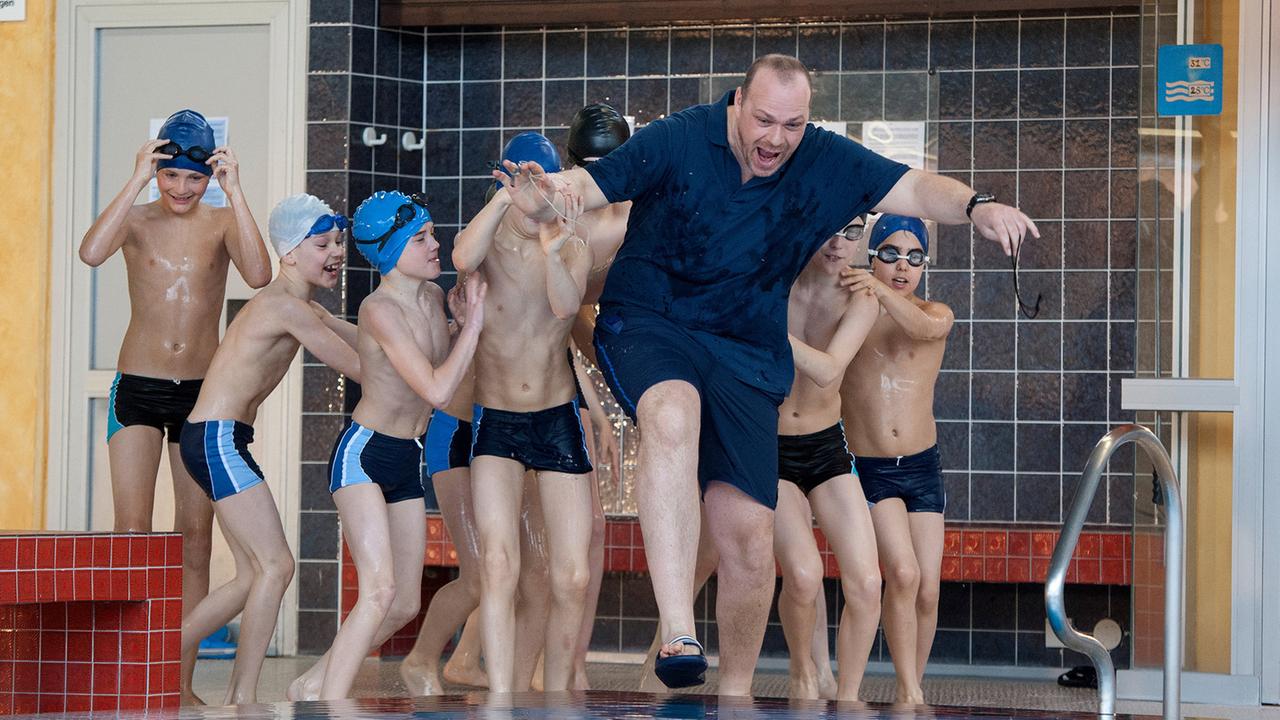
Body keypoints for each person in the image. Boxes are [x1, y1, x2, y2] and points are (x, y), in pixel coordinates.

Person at [499, 53, 1036, 693]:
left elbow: (913, 186)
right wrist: (553, 194)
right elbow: (593, 185)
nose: (776, 138)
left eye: (792, 123)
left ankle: (735, 692)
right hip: (651, 320)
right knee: (671, 411)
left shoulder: (819, 156)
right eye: (764, 120)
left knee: (751, 539)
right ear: (737, 103)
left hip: (745, 346)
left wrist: (977, 204)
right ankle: (676, 626)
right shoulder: (680, 136)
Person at [78, 109, 272, 703]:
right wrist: (136, 179)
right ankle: (127, 669)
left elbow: (261, 273)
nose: (182, 190)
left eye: (195, 179)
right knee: (133, 532)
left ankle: (178, 680)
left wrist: (236, 190)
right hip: (136, 385)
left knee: (194, 535)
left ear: (209, 176)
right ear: (157, 170)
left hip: (199, 395)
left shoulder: (218, 221)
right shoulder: (135, 220)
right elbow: (90, 252)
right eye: (171, 177)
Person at [291, 191, 487, 700]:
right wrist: (476, 326)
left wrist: (460, 325)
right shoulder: (377, 309)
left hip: (407, 456)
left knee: (401, 604)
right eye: (420, 238)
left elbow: (444, 364)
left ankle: (310, 686)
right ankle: (331, 705)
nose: (435, 244)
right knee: (378, 590)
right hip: (364, 453)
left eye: (431, 234)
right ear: (391, 248)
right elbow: (438, 389)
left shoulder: (432, 296)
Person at [176, 193, 360, 704]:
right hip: (215, 438)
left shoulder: (300, 306)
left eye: (339, 241)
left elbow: (363, 338)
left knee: (254, 574)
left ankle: (155, 655)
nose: (336, 251)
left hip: (218, 438)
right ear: (289, 254)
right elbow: (360, 366)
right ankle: (241, 698)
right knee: (276, 566)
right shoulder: (284, 306)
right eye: (322, 243)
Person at [452, 132, 596, 693]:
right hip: (497, 418)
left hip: (556, 417)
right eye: (525, 177)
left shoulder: (573, 242)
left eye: (544, 179)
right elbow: (461, 257)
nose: (536, 190)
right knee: (499, 565)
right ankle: (501, 699)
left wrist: (554, 244)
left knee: (573, 575)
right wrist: (503, 195)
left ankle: (557, 692)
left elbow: (564, 304)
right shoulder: (486, 241)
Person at [838, 215, 952, 705]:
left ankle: (913, 683)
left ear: (925, 264)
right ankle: (908, 695)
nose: (901, 266)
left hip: (923, 466)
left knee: (927, 589)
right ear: (870, 257)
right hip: (871, 467)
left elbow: (923, 329)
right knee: (902, 573)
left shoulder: (936, 312)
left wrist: (881, 290)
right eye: (888, 254)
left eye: (914, 257)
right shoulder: (852, 314)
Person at [776, 216, 882, 701]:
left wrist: (759, 327)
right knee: (801, 574)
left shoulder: (862, 297)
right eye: (830, 227)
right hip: (768, 445)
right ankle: (803, 673)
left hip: (825, 445)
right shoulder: (772, 279)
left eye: (854, 231)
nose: (840, 242)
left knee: (866, 581)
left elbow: (829, 369)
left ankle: (848, 696)